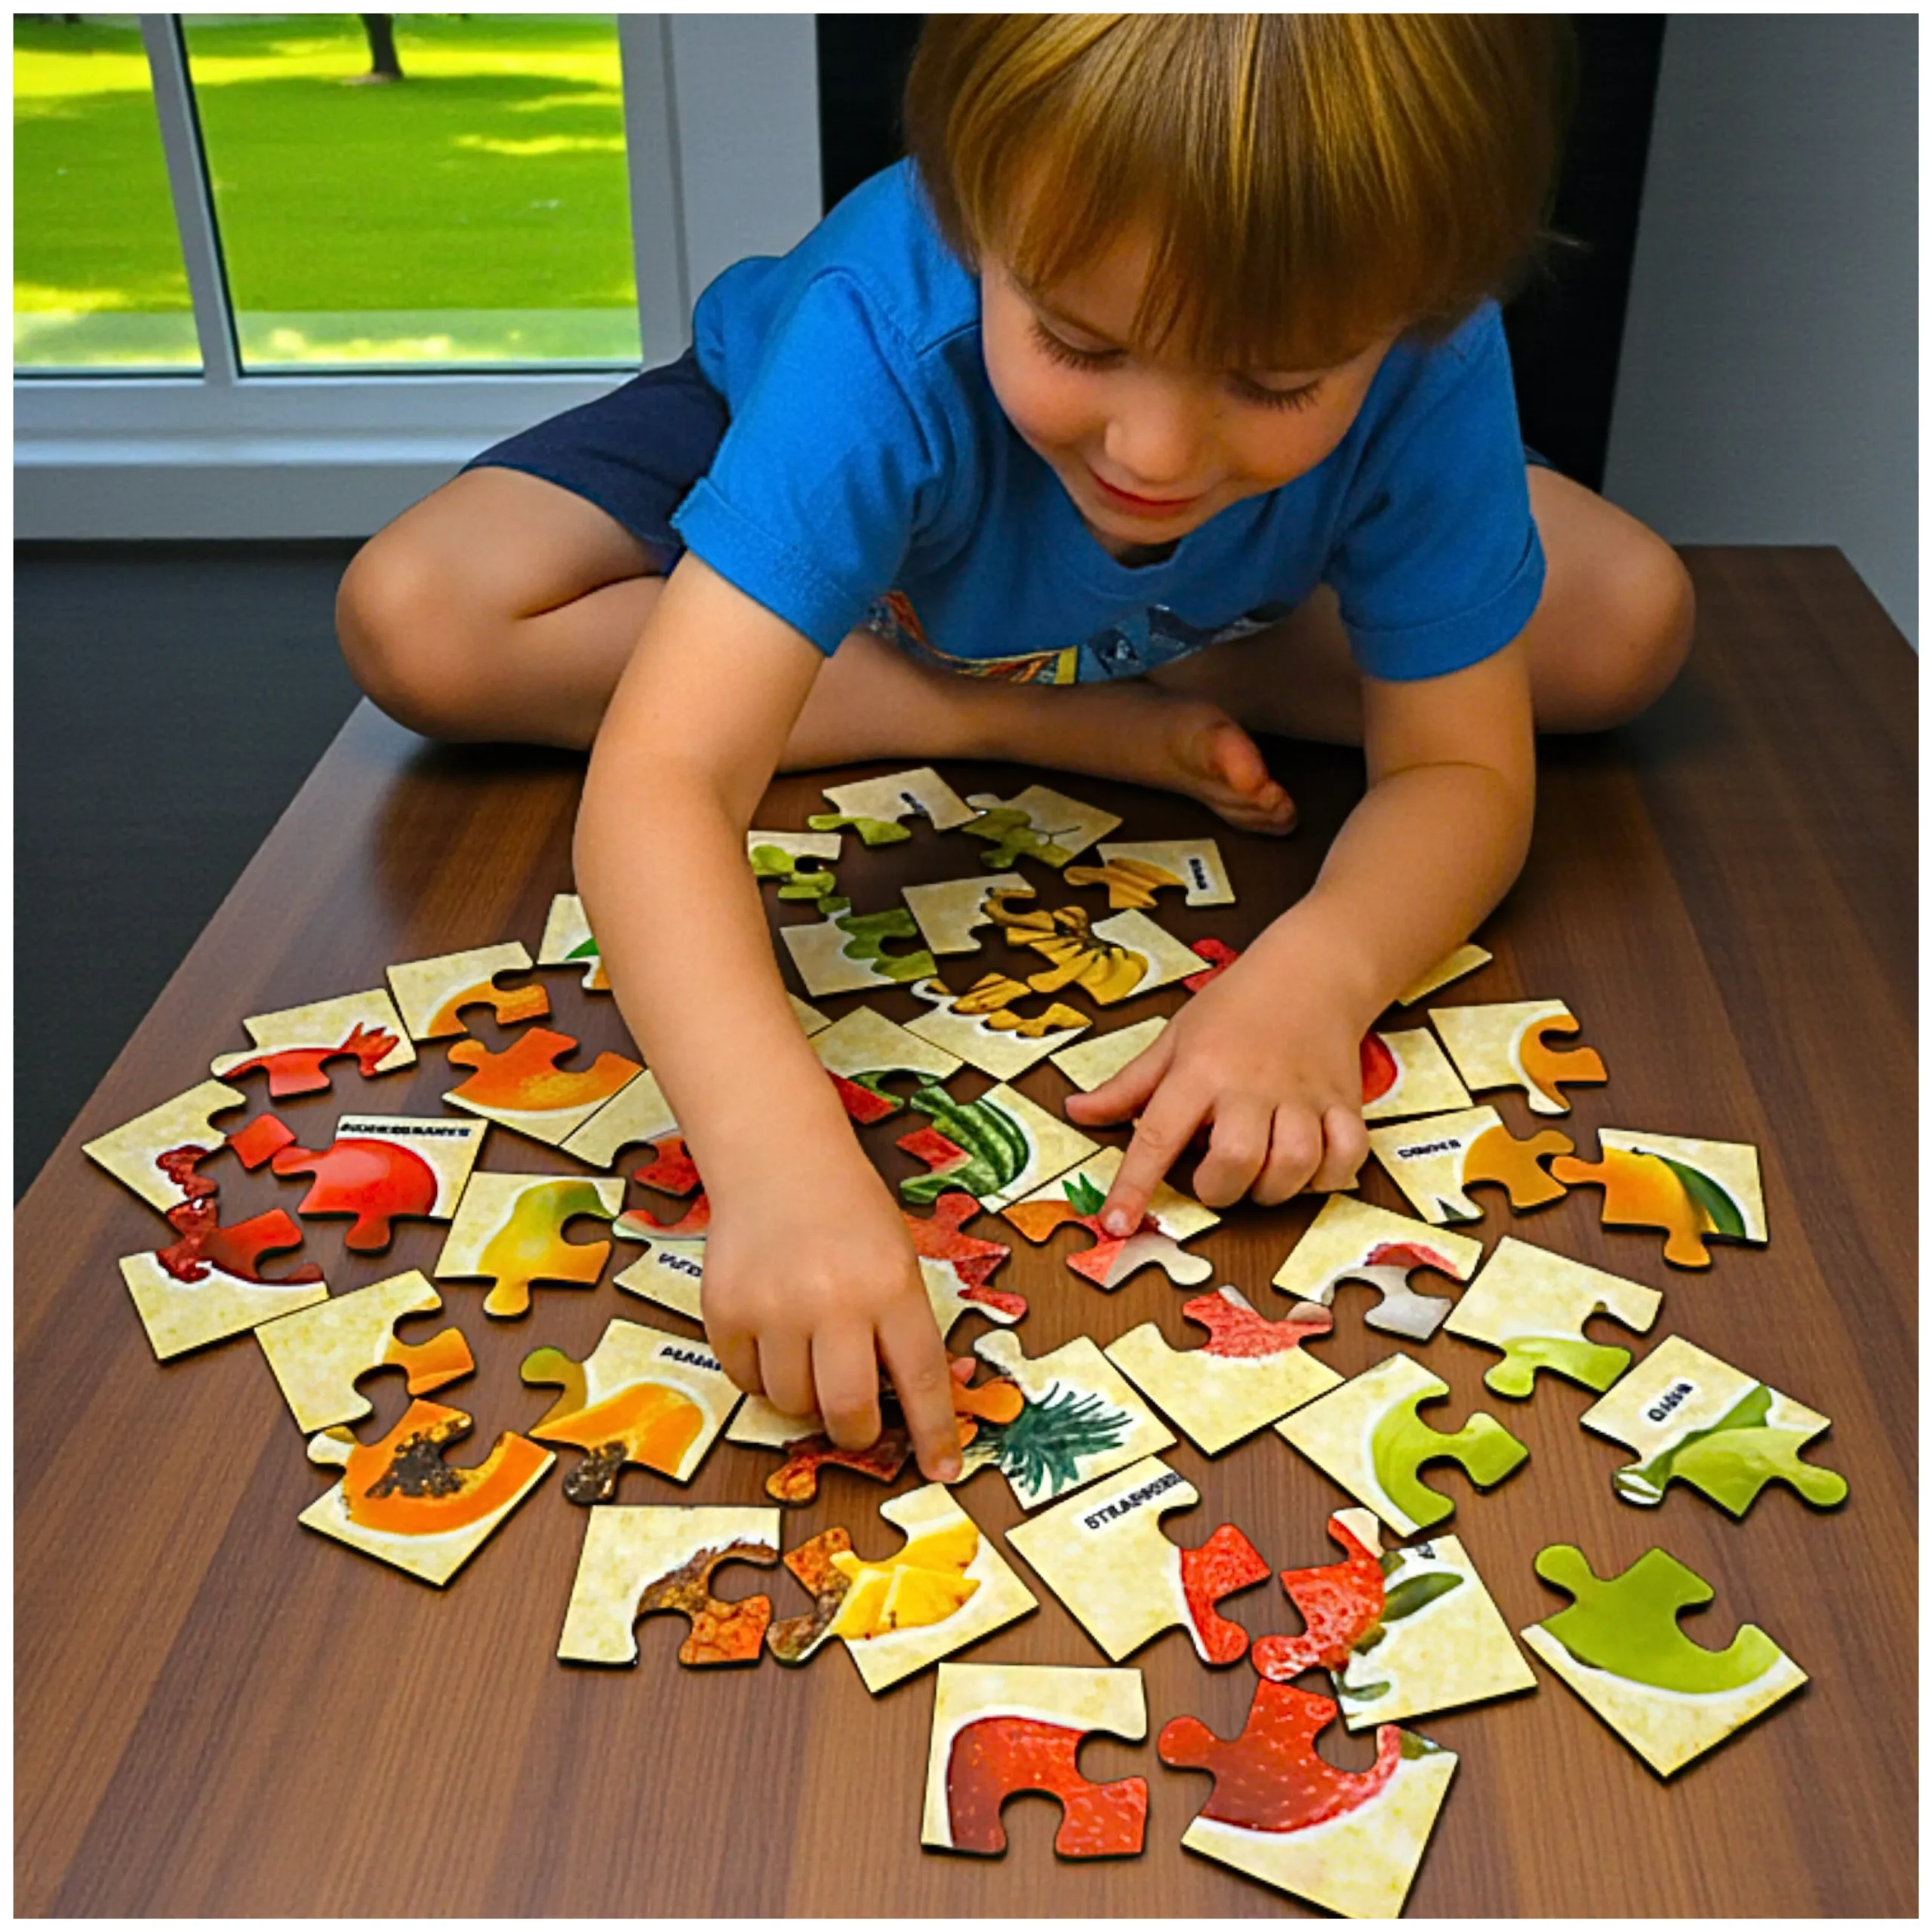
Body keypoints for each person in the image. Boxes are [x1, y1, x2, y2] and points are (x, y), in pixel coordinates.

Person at [336, 16, 1692, 1489]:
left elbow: (1459, 773)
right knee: (418, 619)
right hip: (837, 433)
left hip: (1229, 565)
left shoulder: (1421, 353)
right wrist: (778, 1162)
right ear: (976, 220)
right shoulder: (875, 336)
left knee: (1624, 624)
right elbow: (660, 784)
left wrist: (1314, 977)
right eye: (1079, 340)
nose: (1155, 454)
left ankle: (1066, 635)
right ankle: (994, 697)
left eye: (1272, 378)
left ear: (1412, 312)